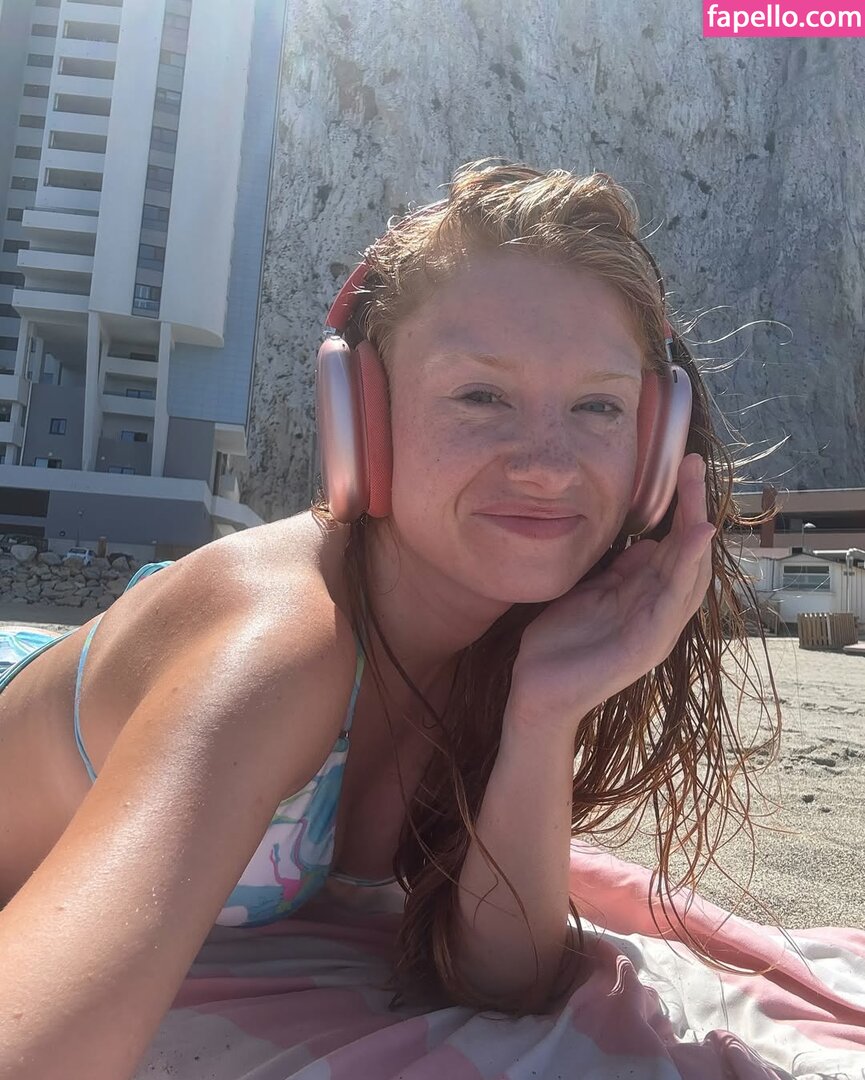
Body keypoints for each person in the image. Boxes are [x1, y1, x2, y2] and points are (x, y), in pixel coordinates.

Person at [0, 160, 779, 1080]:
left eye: (598, 406)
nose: (546, 464)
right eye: (479, 396)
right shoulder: (274, 647)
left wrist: (543, 714)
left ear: (652, 451)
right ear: (361, 418)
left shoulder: (506, 638)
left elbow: (504, 974)